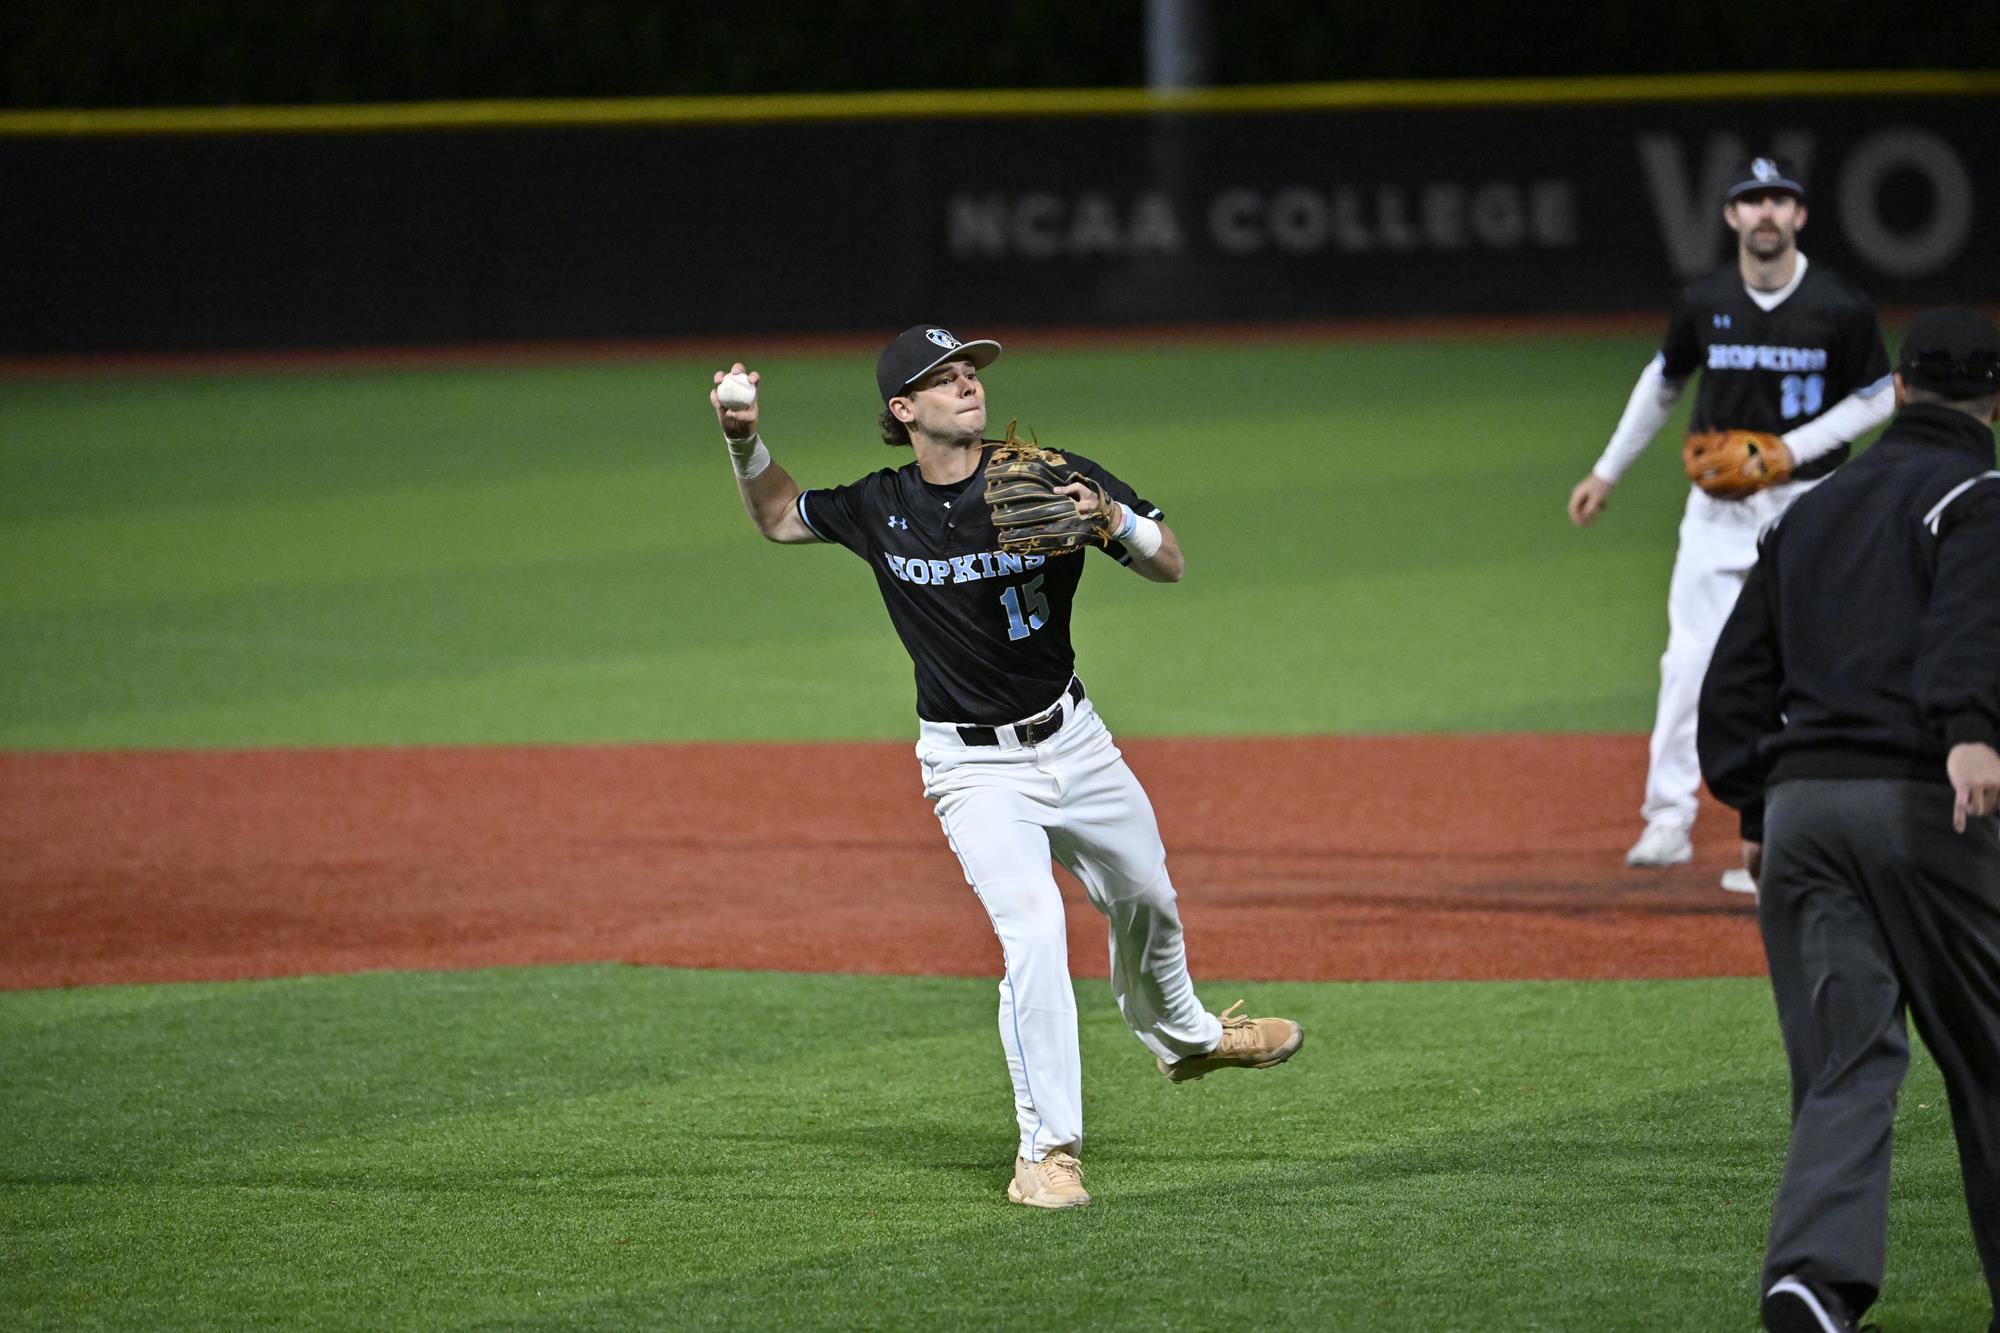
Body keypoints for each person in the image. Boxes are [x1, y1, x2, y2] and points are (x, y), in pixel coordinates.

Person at [708, 325, 1303, 1210]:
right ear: (904, 409)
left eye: (971, 372)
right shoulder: (880, 504)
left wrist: (1114, 520)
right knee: (1034, 933)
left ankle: (1187, 1037)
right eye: (944, 379)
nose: (968, 386)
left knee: (1146, 895)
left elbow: (1171, 562)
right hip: (972, 768)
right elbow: (778, 515)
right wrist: (743, 438)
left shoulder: (1050, 475)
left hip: (1076, 739)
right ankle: (1046, 1152)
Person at [1697, 306, 2000, 1333]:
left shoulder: (1810, 511)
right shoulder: (1979, 496)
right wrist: (1971, 726)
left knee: (1843, 1061)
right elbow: (1972, 616)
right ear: (1995, 401)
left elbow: (1735, 680)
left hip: (1801, 818)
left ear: (1900, 390)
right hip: (1922, 809)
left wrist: (1752, 800)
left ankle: (1813, 1285)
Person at [1568, 155, 1893, 893]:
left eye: (1779, 200)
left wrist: (1790, 450)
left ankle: (1797, 831)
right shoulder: (1707, 299)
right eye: (1752, 200)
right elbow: (1663, 382)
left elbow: (1879, 395)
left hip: (1811, 508)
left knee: (1812, 669)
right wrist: (1607, 471)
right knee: (1688, 663)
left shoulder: (1838, 304)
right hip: (1718, 515)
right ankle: (1667, 817)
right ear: (1731, 216)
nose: (1765, 212)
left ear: (1799, 215)